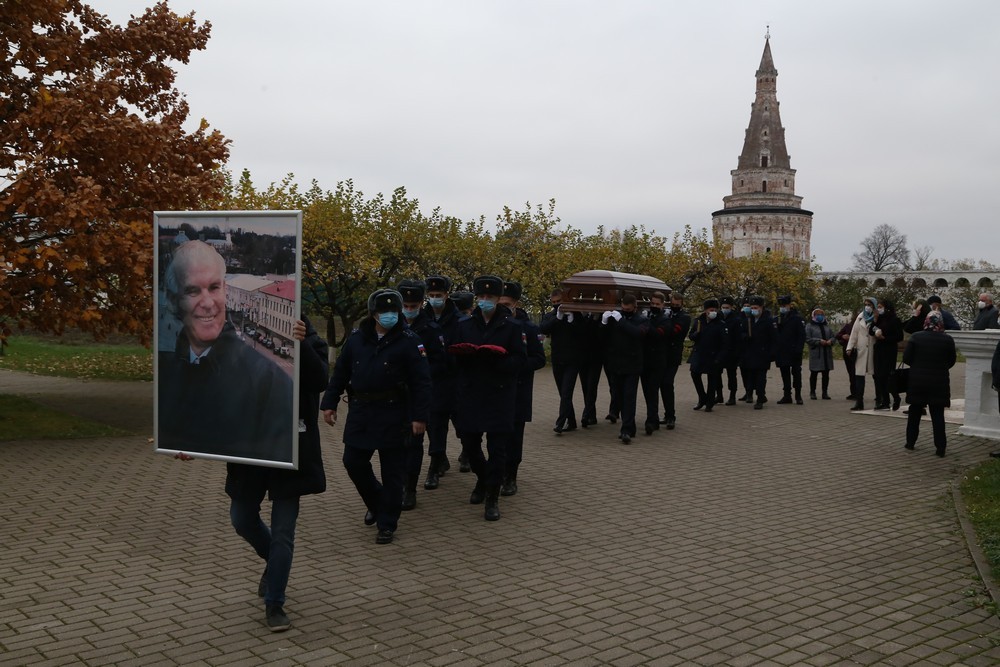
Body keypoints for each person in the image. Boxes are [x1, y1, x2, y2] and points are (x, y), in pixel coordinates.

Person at [226, 317, 328, 632]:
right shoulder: (238, 336)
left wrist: (301, 344)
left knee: (284, 532)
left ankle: (275, 603)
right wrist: (187, 441)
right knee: (241, 518)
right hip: (251, 449)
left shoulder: (312, 340)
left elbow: (319, 380)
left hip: (290, 449)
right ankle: (273, 564)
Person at [158, 240, 293, 462]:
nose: (208, 303)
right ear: (173, 301)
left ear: (225, 290)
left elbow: (274, 453)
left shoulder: (269, 381)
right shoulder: (167, 371)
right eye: (192, 291)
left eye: (214, 287)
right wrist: (186, 443)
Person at [321, 289, 432, 545]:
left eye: (393, 311)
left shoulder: (410, 340)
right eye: (384, 311)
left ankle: (387, 524)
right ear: (373, 314)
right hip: (361, 411)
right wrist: (329, 403)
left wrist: (420, 416)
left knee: (393, 472)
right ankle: (377, 502)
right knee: (353, 462)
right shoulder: (357, 339)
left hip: (395, 413)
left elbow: (422, 382)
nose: (389, 315)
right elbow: (340, 373)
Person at [449, 275, 527, 521]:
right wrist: (464, 356)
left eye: (490, 297)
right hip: (471, 393)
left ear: (497, 298)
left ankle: (492, 497)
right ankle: (483, 478)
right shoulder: (464, 325)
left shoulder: (512, 326)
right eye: (481, 296)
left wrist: (498, 360)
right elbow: (452, 357)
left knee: (497, 449)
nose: (485, 300)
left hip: (499, 395)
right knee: (470, 445)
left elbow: (520, 359)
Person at [397, 279, 446, 509]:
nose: (409, 309)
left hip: (419, 396)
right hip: (394, 397)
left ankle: (410, 488)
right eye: (405, 305)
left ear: (420, 303)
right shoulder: (391, 326)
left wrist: (417, 372)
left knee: (414, 444)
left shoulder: (431, 330)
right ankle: (396, 485)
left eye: (413, 305)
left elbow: (440, 363)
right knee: (396, 446)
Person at [499, 281, 546, 495]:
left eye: (506, 304)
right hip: (495, 390)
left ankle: (511, 475)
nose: (502, 308)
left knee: (514, 435)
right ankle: (496, 472)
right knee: (496, 435)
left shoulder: (529, 328)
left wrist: (516, 365)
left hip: (518, 389)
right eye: (499, 303)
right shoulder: (490, 326)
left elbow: (539, 359)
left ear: (516, 304)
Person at [421, 275, 461, 484]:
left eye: (439, 294)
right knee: (435, 424)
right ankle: (436, 462)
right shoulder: (422, 317)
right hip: (430, 379)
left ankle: (466, 453)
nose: (435, 298)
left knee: (460, 423)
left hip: (453, 379)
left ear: (446, 295)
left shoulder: (458, 319)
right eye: (432, 294)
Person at [902, 312, 957, 457]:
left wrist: (917, 366)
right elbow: (951, 360)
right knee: (937, 415)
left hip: (917, 381)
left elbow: (906, 358)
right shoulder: (947, 339)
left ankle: (910, 442)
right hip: (939, 382)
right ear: (940, 322)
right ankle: (940, 447)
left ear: (926, 321)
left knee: (914, 413)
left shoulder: (916, 337)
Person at [601, 293, 649, 443]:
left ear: (635, 307)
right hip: (616, 364)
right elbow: (602, 337)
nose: (625, 311)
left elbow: (637, 333)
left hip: (632, 366)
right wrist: (603, 322)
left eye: (628, 309)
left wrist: (621, 321)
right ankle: (630, 427)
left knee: (629, 398)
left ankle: (626, 430)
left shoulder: (642, 320)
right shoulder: (615, 318)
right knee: (618, 396)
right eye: (623, 309)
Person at [688, 298, 728, 413]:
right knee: (695, 374)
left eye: (715, 310)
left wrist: (719, 358)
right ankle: (702, 398)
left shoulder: (720, 324)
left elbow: (725, 343)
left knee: (712, 379)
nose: (713, 312)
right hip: (699, 354)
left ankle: (710, 402)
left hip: (713, 355)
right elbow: (691, 335)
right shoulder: (698, 321)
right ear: (705, 310)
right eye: (711, 310)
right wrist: (696, 334)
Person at [659, 291, 692, 429]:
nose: (674, 307)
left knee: (667, 383)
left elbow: (674, 331)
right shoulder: (667, 314)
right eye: (672, 304)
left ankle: (671, 416)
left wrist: (665, 320)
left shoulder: (684, 317)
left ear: (681, 305)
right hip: (662, 354)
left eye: (677, 305)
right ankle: (667, 415)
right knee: (662, 385)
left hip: (673, 355)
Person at [640, 291, 670, 434]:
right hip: (644, 360)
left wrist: (645, 322)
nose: (654, 306)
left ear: (663, 305)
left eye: (657, 304)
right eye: (652, 303)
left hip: (657, 361)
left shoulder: (665, 320)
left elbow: (658, 334)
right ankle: (654, 419)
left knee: (652, 390)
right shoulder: (647, 317)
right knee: (647, 391)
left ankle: (651, 421)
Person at [739, 296, 777, 410]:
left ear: (761, 308)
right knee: (751, 378)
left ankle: (760, 398)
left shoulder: (768, 321)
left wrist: (772, 353)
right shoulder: (748, 320)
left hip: (762, 354)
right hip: (749, 354)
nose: (753, 310)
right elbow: (741, 332)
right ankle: (754, 394)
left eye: (756, 307)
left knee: (761, 378)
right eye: (752, 307)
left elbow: (774, 338)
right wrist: (745, 337)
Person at [845, 297, 878, 411]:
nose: (867, 306)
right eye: (865, 304)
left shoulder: (877, 317)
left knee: (876, 376)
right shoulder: (860, 317)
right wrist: (850, 347)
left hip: (873, 349)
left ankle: (879, 399)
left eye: (869, 304)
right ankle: (859, 402)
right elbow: (854, 333)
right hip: (861, 350)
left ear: (874, 306)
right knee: (859, 376)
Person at [871, 298, 904, 410]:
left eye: (880, 307)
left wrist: (885, 338)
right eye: (878, 307)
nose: (878, 309)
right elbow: (871, 331)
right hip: (879, 350)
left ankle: (896, 397)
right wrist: (875, 320)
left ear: (887, 308)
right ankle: (885, 401)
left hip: (889, 350)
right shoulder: (879, 319)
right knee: (878, 376)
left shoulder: (894, 320)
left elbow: (899, 336)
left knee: (888, 376)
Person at [774, 295, 806, 405]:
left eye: (784, 305)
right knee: (785, 374)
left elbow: (801, 335)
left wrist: (799, 349)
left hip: (794, 351)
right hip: (782, 351)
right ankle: (787, 395)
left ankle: (798, 395)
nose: (782, 307)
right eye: (781, 306)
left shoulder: (797, 318)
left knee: (796, 373)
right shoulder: (778, 318)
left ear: (789, 305)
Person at [716, 296, 744, 406]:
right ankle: (719, 395)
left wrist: (737, 353)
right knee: (716, 374)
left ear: (731, 307)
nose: (725, 309)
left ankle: (732, 396)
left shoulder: (736, 319)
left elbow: (738, 338)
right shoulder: (717, 317)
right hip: (719, 351)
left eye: (727, 307)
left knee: (731, 375)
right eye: (723, 307)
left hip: (731, 352)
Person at [804, 308, 835, 399]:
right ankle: (812, 392)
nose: (820, 316)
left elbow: (833, 337)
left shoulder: (827, 326)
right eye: (817, 314)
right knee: (814, 374)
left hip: (826, 353)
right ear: (813, 316)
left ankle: (825, 393)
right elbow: (807, 338)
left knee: (826, 374)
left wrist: (831, 341)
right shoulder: (809, 326)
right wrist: (819, 341)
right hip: (816, 353)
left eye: (821, 315)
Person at [836, 314, 858, 401]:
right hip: (847, 352)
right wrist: (843, 336)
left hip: (857, 351)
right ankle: (853, 393)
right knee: (851, 373)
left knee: (855, 373)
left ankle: (857, 393)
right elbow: (838, 335)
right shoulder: (848, 326)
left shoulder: (861, 327)